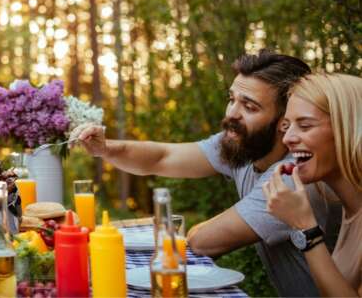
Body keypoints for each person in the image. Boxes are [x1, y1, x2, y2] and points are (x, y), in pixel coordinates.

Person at [69, 50, 342, 297]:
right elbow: (163, 157)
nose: (232, 114)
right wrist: (105, 149)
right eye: (232, 100)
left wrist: (190, 229)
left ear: (285, 122)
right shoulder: (245, 145)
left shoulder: (293, 175)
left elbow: (205, 242)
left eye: (249, 107)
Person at [263, 73, 362, 297]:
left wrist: (307, 229)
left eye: (305, 126)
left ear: (348, 130)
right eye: (287, 126)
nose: (287, 138)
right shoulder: (350, 209)